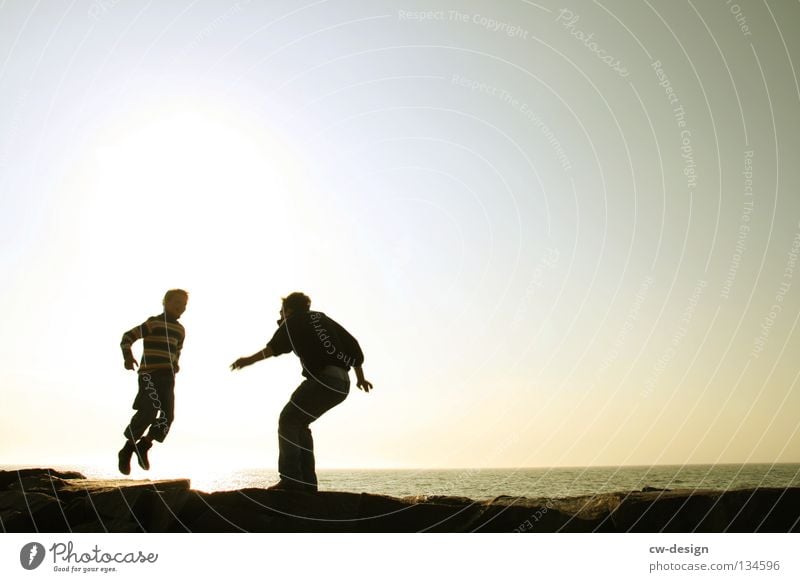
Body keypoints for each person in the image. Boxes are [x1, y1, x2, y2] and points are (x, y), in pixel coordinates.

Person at [231, 292, 373, 492]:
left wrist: (247, 360)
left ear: (288, 310)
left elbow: (272, 349)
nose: (280, 316)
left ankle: (291, 480)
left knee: (288, 420)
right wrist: (360, 378)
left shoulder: (292, 321)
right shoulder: (322, 318)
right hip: (343, 384)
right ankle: (307, 483)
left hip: (324, 380)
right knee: (300, 423)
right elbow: (354, 348)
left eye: (281, 312)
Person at [117, 289, 188, 475]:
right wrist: (127, 357)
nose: (180, 307)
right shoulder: (153, 323)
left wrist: (175, 364)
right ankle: (127, 449)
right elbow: (127, 337)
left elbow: (177, 351)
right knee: (148, 412)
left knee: (168, 416)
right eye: (176, 303)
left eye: (183, 305)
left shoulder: (180, 330)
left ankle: (145, 445)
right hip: (149, 375)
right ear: (165, 302)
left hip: (168, 377)